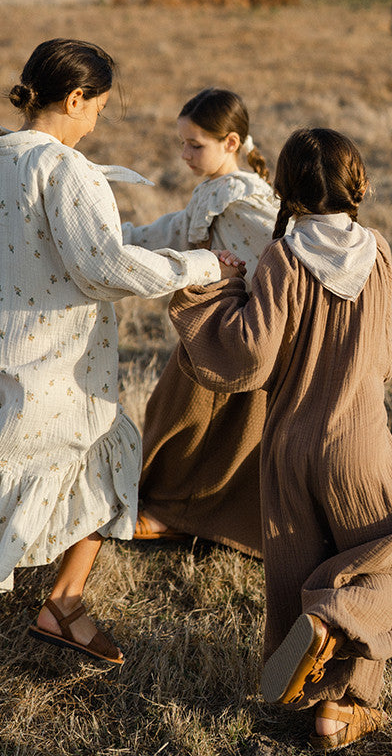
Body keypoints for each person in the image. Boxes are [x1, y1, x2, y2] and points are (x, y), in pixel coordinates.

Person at [0, 38, 234, 692]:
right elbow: (105, 265)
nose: (98, 123)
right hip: (45, 363)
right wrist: (204, 267)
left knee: (15, 470)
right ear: (75, 98)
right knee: (85, 459)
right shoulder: (65, 171)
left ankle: (47, 607)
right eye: (100, 108)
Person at [168, 128, 392, 751]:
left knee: (302, 561)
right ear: (356, 184)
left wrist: (217, 295)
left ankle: (319, 694)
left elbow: (251, 355)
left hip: (287, 445)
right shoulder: (379, 253)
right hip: (357, 442)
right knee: (386, 552)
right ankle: (339, 674)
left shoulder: (282, 257)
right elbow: (383, 357)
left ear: (285, 188)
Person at [122, 88, 278, 551]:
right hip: (212, 329)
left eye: (196, 144)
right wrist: (113, 239)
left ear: (231, 143)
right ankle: (178, 511)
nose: (184, 154)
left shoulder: (243, 201)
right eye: (182, 143)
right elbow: (169, 231)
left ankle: (172, 513)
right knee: (178, 417)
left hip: (238, 333)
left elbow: (282, 249)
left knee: (196, 426)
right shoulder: (216, 192)